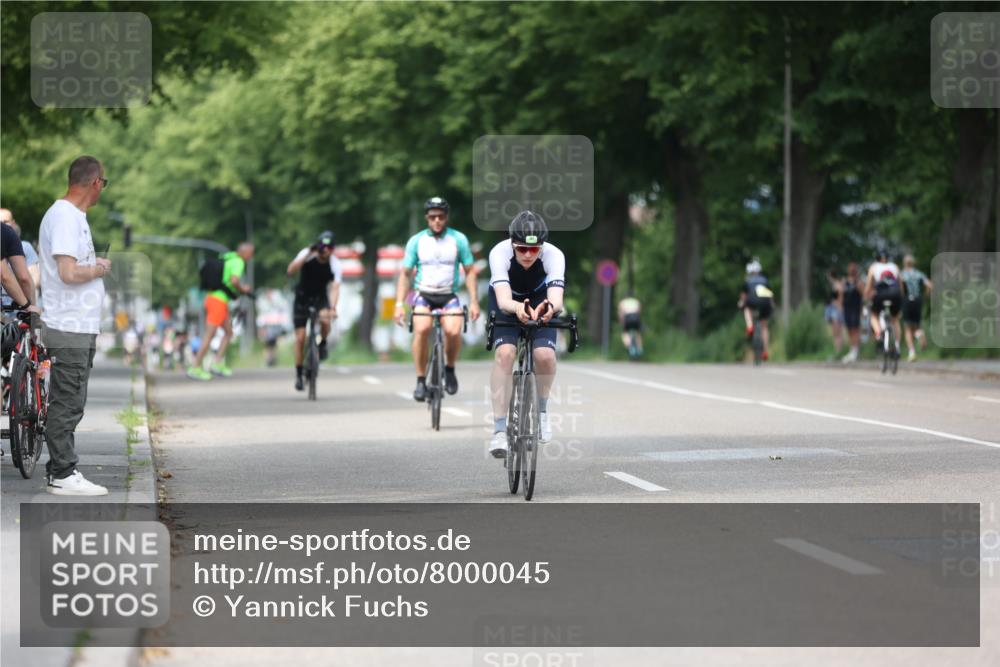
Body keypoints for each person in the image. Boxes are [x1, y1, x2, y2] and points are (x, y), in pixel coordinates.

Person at [37, 155, 112, 495]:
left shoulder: (73, 217)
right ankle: (63, 473)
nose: (102, 189)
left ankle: (60, 470)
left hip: (78, 324)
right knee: (67, 402)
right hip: (69, 325)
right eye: (103, 183)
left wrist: (92, 264)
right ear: (95, 182)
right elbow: (67, 273)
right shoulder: (65, 216)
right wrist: (98, 269)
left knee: (72, 400)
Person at [487, 211, 565, 458]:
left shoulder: (554, 255)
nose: (529, 254)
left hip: (541, 301)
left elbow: (556, 299)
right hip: (508, 302)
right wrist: (519, 308)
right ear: (512, 244)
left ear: (542, 246)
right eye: (522, 249)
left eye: (534, 249)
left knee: (545, 355)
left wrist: (548, 309)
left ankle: (541, 412)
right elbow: (503, 300)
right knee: (505, 354)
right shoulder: (499, 253)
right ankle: (500, 430)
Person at [394, 197, 480, 401]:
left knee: (453, 330)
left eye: (441, 217)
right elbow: (405, 274)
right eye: (433, 217)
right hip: (423, 294)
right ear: (427, 218)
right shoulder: (417, 241)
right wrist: (399, 304)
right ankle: (420, 380)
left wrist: (474, 301)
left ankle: (449, 369)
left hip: (448, 295)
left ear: (446, 217)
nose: (437, 221)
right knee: (422, 329)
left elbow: (470, 271)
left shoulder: (458, 239)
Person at [187, 243, 254, 380]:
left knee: (228, 332)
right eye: (251, 253)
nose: (251, 256)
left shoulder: (228, 257)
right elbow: (234, 281)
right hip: (218, 301)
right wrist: (243, 290)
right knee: (209, 335)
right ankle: (195, 367)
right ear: (244, 252)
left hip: (216, 299)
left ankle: (217, 363)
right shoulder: (238, 262)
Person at [287, 231, 342, 390]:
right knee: (300, 338)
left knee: (326, 319)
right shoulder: (307, 254)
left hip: (320, 298)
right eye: (323, 247)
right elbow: (291, 270)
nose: (326, 251)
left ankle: (322, 342)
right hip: (302, 298)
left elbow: (335, 287)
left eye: (330, 248)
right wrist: (308, 254)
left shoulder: (335, 263)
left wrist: (333, 307)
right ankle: (299, 374)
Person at [865, 247, 902, 356]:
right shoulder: (895, 266)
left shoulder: (874, 267)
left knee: (874, 315)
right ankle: (897, 346)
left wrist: (866, 297)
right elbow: (900, 285)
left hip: (880, 294)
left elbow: (869, 286)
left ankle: (879, 334)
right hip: (895, 293)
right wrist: (901, 297)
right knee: (895, 320)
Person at [1, 210, 39, 313]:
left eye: (5, 221)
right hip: (18, 304)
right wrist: (29, 307)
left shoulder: (25, 246)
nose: (2, 222)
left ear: (13, 222)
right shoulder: (7, 232)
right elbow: (23, 278)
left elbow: (32, 277)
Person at [738, 258, 774, 361]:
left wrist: (741, 303)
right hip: (765, 302)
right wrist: (772, 305)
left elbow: (743, 297)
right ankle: (765, 351)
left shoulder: (747, 281)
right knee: (764, 327)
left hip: (752, 301)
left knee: (747, 309)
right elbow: (770, 295)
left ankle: (750, 326)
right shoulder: (765, 280)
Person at [901, 254, 932, 362]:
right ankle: (920, 334)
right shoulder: (919, 274)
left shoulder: (902, 274)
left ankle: (912, 352)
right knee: (916, 325)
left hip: (907, 300)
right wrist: (925, 296)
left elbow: (900, 288)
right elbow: (929, 285)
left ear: (905, 263)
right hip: (918, 300)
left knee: (907, 328)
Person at [840, 262, 864, 363]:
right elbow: (841, 295)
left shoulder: (859, 281)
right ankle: (852, 349)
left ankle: (856, 350)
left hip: (855, 308)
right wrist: (841, 307)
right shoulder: (845, 281)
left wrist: (857, 283)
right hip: (847, 308)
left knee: (855, 329)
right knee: (849, 329)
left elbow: (863, 293)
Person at [824, 267, 844, 358]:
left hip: (836, 309)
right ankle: (837, 351)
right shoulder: (835, 285)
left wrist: (839, 308)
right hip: (833, 309)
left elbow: (840, 298)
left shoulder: (838, 285)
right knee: (835, 333)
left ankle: (838, 351)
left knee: (837, 332)